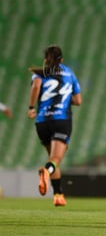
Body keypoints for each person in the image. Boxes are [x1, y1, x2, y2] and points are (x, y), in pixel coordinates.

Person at [28, 45, 82, 206]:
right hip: (61, 120)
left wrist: (31, 108)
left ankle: (58, 195)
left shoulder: (41, 72)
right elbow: (78, 101)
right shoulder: (69, 73)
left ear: (46, 59)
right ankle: (46, 172)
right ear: (62, 60)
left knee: (52, 158)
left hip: (42, 122)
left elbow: (36, 87)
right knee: (55, 159)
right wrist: (64, 99)